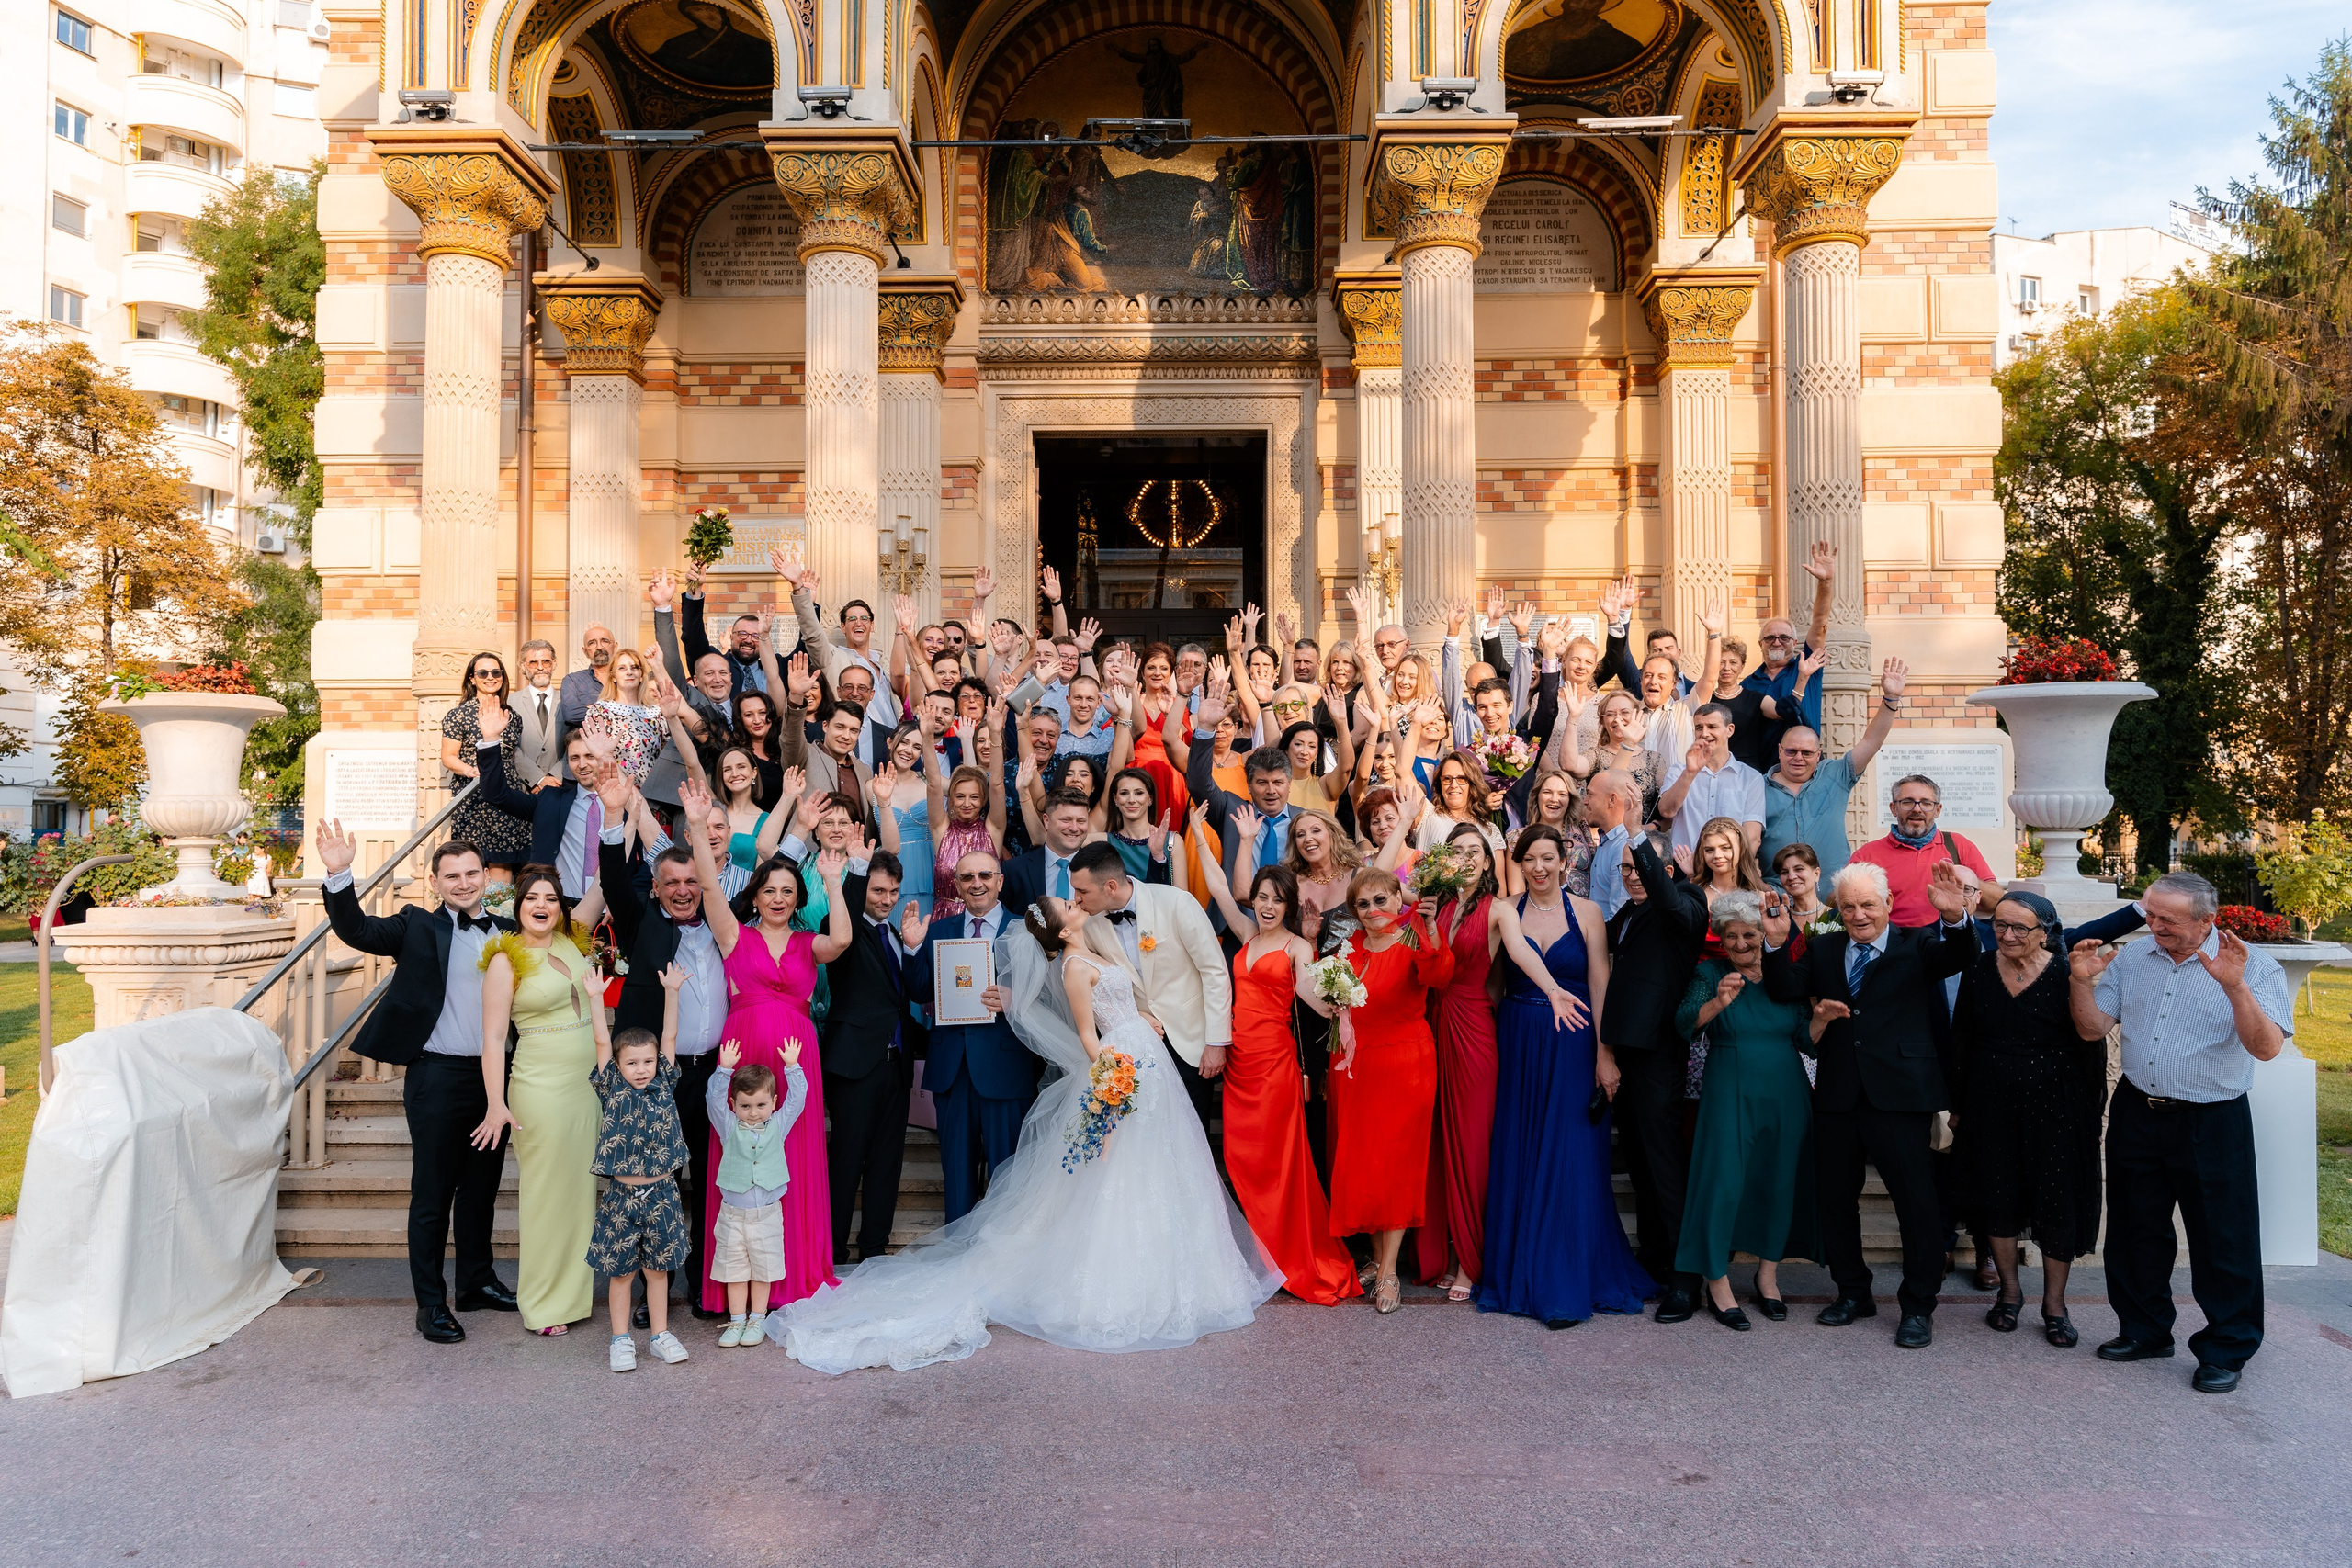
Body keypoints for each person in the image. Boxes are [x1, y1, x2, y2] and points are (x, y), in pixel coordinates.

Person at [775, 897, 1283, 1371]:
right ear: (1061, 929)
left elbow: (1117, 1007)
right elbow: (1088, 1034)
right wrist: (1110, 1083)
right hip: (1122, 1067)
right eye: (1066, 904)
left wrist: (1141, 1015)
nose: (1074, 901)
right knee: (1124, 1173)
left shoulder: (1095, 950)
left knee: (1164, 1163)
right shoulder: (1074, 967)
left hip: (1148, 1060)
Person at [2069, 872, 2292, 1394]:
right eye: (2150, 915)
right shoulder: (2133, 959)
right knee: (2135, 1229)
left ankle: (2226, 1348)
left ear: (2206, 920)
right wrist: (2081, 982)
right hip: (2137, 1111)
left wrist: (2233, 985)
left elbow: (2265, 1048)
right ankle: (2145, 1331)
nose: (2153, 925)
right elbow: (2090, 1029)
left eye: (2166, 919)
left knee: (2224, 1237)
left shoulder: (2254, 966)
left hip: (2212, 1118)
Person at [1761, 860, 1978, 1348]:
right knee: (1835, 1201)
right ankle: (1853, 1292)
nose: (1859, 915)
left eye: (1867, 905)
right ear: (1838, 909)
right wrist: (1776, 943)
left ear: (1889, 904)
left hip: (1900, 1095)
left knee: (1916, 1204)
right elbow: (1784, 988)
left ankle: (1918, 1306)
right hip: (1838, 1094)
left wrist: (1956, 918)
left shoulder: (1919, 944)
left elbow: (1962, 955)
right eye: (1848, 906)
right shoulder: (1822, 947)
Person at [316, 824, 517, 1343]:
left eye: (472, 873)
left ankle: (476, 1281)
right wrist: (340, 873)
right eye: (452, 876)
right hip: (436, 1076)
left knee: (481, 1190)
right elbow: (358, 931)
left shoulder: (509, 930)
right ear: (435, 883)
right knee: (433, 1193)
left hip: (493, 1080)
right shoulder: (416, 926)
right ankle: (431, 1303)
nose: (464, 883)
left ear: (486, 878)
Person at [677, 778, 854, 1314]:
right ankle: (734, 1286)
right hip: (745, 1049)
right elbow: (708, 890)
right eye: (769, 890)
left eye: (787, 892)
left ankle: (792, 1275)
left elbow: (843, 939)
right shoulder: (735, 936)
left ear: (797, 899)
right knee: (737, 1158)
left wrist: (833, 880)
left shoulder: (808, 942)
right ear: (754, 896)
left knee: (793, 1160)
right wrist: (695, 824)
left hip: (795, 1057)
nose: (778, 898)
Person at [1477, 826, 1652, 1326]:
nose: (1538, 868)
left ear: (1564, 859)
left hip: (1576, 1044)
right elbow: (1489, 984)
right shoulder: (1505, 910)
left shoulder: (1590, 913)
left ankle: (1570, 1274)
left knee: (1573, 1156)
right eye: (1529, 858)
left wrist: (1605, 1054)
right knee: (1522, 1151)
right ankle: (1524, 1272)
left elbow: (1601, 985)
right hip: (1518, 1041)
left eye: (1547, 858)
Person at [1192, 848, 1363, 1305]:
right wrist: (1202, 841)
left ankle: (1288, 1258)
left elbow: (1316, 1002)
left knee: (1280, 1167)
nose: (1267, 906)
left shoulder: (1298, 947)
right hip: (1239, 1065)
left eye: (1276, 900)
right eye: (1262, 898)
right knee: (1241, 1160)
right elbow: (1220, 890)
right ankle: (1264, 1254)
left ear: (1288, 905)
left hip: (1274, 1067)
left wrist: (1342, 996)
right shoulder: (1247, 935)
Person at [1950, 889, 2108, 1347]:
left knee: (2056, 1203)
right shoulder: (1979, 969)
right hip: (1988, 1103)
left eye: (2021, 927)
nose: (2008, 934)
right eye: (2000, 925)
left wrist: (2089, 1116)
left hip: (2056, 1106)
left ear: (2046, 932)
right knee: (1996, 1197)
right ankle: (2010, 1294)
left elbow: (2089, 1049)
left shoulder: (2066, 973)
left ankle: (2055, 1306)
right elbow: (1961, 1040)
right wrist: (1958, 1107)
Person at [1672, 893, 1819, 1330]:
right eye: (1730, 935)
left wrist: (1824, 1018)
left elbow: (1805, 1039)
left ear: (1765, 935)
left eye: (1749, 934)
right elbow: (1683, 1023)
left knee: (1778, 1181)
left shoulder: (1784, 976)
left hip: (1787, 1090)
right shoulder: (1710, 971)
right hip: (1729, 1087)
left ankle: (1767, 1278)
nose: (1739, 943)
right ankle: (1717, 1284)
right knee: (1722, 1184)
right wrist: (1718, 1002)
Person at [472, 864, 605, 1335]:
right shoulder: (507, 960)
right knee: (547, 1196)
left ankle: (572, 1297)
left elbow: (603, 880)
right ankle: (543, 1305)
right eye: (532, 899)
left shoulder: (572, 939)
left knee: (578, 1193)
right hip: (541, 1088)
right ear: (518, 906)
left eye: (551, 898)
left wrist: (624, 813)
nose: (542, 906)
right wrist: (495, 1103)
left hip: (585, 1088)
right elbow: (491, 1039)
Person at [1323, 867, 1456, 1315]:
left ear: (1399, 897)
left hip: (1405, 1064)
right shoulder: (1353, 948)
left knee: (1396, 1165)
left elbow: (1440, 976)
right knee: (1368, 1165)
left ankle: (1388, 1273)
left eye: (1381, 900)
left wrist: (1433, 930)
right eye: (1363, 904)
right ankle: (1381, 1260)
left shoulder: (1416, 936)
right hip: (1357, 1066)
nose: (1373, 911)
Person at [1598, 835, 1710, 1320]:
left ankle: (1688, 1282)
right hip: (1625, 1051)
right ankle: (1655, 1260)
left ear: (1664, 869)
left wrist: (1635, 835)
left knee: (1664, 1168)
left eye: (1638, 867)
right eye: (1623, 869)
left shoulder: (1686, 900)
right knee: (1641, 1166)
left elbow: (1670, 900)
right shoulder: (1626, 915)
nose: (1630, 876)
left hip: (1659, 1054)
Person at [1068, 840, 1234, 1142]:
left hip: (1191, 1042)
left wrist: (1216, 1041)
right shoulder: (1088, 926)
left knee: (1192, 1138)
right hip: (1138, 1048)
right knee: (1149, 1140)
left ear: (1111, 886)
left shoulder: (1176, 902)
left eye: (1082, 891)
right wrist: (1137, 1013)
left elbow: (1214, 971)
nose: (1076, 900)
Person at [905, 851, 1040, 1223]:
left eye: (984, 875)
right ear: (957, 885)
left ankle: (1002, 1257)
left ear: (999, 880)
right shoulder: (938, 931)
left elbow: (1052, 996)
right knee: (957, 1172)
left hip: (1005, 1066)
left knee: (1006, 1171)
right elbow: (919, 992)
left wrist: (1017, 998)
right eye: (966, 877)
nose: (976, 883)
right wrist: (912, 947)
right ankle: (957, 1256)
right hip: (952, 1068)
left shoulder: (1025, 929)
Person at [587, 966, 696, 1373]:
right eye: (632, 1062)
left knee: (658, 1271)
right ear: (618, 1065)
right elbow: (602, 1038)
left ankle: (660, 1335)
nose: (641, 1069)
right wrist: (597, 998)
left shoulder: (664, 1083)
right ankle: (620, 1340)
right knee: (620, 1274)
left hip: (663, 1193)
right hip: (621, 1196)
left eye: (647, 1061)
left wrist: (672, 992)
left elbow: (669, 1037)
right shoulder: (611, 1086)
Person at [819, 851, 920, 1266]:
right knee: (846, 1161)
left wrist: (912, 949)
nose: (886, 899)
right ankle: (835, 1251)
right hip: (854, 1064)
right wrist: (855, 872)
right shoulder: (840, 928)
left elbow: (907, 997)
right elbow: (843, 919)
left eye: (894, 892)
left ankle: (874, 1249)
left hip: (895, 1065)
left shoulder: (895, 935)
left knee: (886, 1160)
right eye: (878, 890)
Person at [1419, 822, 1500, 1302]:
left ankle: (1472, 1261)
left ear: (1489, 862)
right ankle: (1446, 1255)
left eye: (1476, 852)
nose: (1467, 859)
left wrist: (1553, 992)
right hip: (1430, 1024)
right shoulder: (1435, 904)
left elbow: (1514, 969)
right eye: (1457, 852)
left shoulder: (1499, 910)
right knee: (1437, 1145)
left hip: (1473, 1029)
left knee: (1471, 1144)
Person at [1759, 659, 1907, 876]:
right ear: (1780, 751)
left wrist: (1891, 699)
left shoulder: (1835, 774)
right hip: (1779, 895)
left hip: (1833, 896)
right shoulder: (1756, 787)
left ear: (1818, 755)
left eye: (1807, 753)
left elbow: (1870, 742)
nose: (1798, 758)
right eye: (1791, 751)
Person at [707, 1038, 809, 1348]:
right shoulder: (728, 1126)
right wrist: (723, 1070)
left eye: (761, 1105)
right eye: (746, 1106)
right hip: (733, 1215)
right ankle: (736, 1321)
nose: (753, 1112)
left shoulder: (779, 1123)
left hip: (766, 1213)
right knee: (734, 1269)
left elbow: (799, 1098)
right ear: (734, 1105)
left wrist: (793, 1067)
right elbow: (712, 1099)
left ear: (773, 1103)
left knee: (763, 1268)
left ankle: (757, 1319)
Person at [1736, 540, 1838, 772]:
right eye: (1770, 638)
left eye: (1784, 637)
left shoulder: (1808, 666)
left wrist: (1826, 582)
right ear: (1760, 644)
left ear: (1794, 642)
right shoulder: (1748, 684)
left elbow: (1820, 622)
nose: (1777, 642)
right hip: (1763, 773)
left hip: (1805, 769)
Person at [1848, 773, 1995, 927]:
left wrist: (1963, 879)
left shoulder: (1958, 845)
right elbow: (1843, 901)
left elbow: (1994, 901)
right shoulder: (1868, 854)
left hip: (1947, 941)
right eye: (1907, 802)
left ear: (1937, 810)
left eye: (1926, 803)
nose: (1917, 809)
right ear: (1893, 808)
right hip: (1894, 945)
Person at [439, 653, 532, 874]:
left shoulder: (513, 716)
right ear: (472, 678)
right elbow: (448, 756)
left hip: (507, 789)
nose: (490, 677)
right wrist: (469, 770)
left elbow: (514, 755)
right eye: (483, 672)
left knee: (504, 859)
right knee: (472, 860)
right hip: (474, 791)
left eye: (496, 672)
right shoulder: (458, 715)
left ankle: (502, 908)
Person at [1657, 702, 1765, 858]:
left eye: (1712, 727)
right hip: (1683, 868)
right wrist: (1690, 772)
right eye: (1699, 727)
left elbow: (1752, 838)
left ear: (1730, 730)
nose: (1705, 733)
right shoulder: (1679, 771)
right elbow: (1666, 810)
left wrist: (1733, 873)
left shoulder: (1751, 778)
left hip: (1728, 868)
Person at [582, 647, 666, 786]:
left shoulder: (656, 713)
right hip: (614, 791)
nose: (629, 672)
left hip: (653, 793)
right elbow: (591, 756)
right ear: (613, 676)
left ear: (641, 676)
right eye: (622, 668)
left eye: (635, 667)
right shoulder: (600, 712)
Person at [513, 638, 567, 789]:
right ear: (524, 665)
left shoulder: (568, 702)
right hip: (522, 789)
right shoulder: (510, 703)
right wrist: (538, 779)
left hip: (559, 787)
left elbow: (575, 744)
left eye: (546, 662)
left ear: (554, 664)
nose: (540, 667)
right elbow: (509, 747)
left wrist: (554, 777)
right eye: (533, 663)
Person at [560, 622, 618, 729]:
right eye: (592, 643)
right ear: (585, 651)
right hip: (587, 745)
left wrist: (592, 708)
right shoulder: (573, 681)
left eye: (605, 641)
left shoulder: (626, 677)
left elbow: (636, 709)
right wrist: (619, 710)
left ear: (615, 646)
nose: (599, 647)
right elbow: (571, 715)